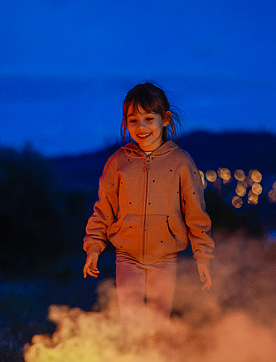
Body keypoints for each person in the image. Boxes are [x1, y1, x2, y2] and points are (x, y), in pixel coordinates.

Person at [82, 82, 214, 328]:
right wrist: (93, 247)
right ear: (126, 123)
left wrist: (203, 256)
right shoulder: (118, 162)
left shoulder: (181, 162)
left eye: (148, 119)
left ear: (165, 119)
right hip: (127, 256)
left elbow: (196, 213)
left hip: (164, 258)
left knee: (158, 324)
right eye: (133, 121)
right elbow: (103, 208)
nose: (141, 127)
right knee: (130, 322)